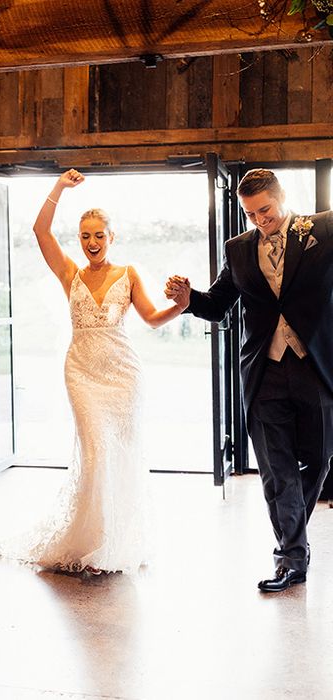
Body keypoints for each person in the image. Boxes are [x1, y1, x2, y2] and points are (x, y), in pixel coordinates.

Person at [0, 169, 187, 575]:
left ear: (112, 238)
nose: (92, 242)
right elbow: (40, 230)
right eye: (85, 236)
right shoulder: (70, 274)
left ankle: (115, 542)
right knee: (95, 454)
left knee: (119, 456)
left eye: (99, 235)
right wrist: (60, 187)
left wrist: (181, 306)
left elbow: (151, 318)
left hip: (123, 374)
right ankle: (93, 545)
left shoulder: (128, 274)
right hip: (81, 372)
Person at [166, 168, 333, 593]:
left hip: (316, 368)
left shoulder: (324, 230)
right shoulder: (237, 250)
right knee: (277, 473)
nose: (260, 220)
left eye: (266, 210)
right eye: (251, 214)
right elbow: (218, 304)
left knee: (318, 459)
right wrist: (189, 301)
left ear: (282, 198)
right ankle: (292, 558)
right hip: (264, 372)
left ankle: (293, 538)